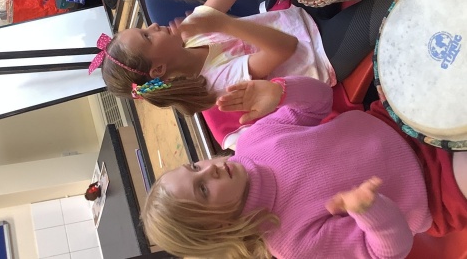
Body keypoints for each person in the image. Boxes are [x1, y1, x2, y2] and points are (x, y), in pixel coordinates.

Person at [91, 0, 467, 147]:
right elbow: (284, 48)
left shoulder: (192, 32)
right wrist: (225, 23)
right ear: (158, 68)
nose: (155, 25)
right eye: (148, 36)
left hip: (302, 19)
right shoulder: (217, 86)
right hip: (323, 57)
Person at [141, 75, 467, 259]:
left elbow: (320, 100)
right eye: (202, 189)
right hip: (439, 190)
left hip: (395, 118)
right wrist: (370, 211)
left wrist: (282, 92)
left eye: (194, 166)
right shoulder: (293, 244)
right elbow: (388, 251)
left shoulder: (253, 141)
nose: (208, 170)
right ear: (219, 228)